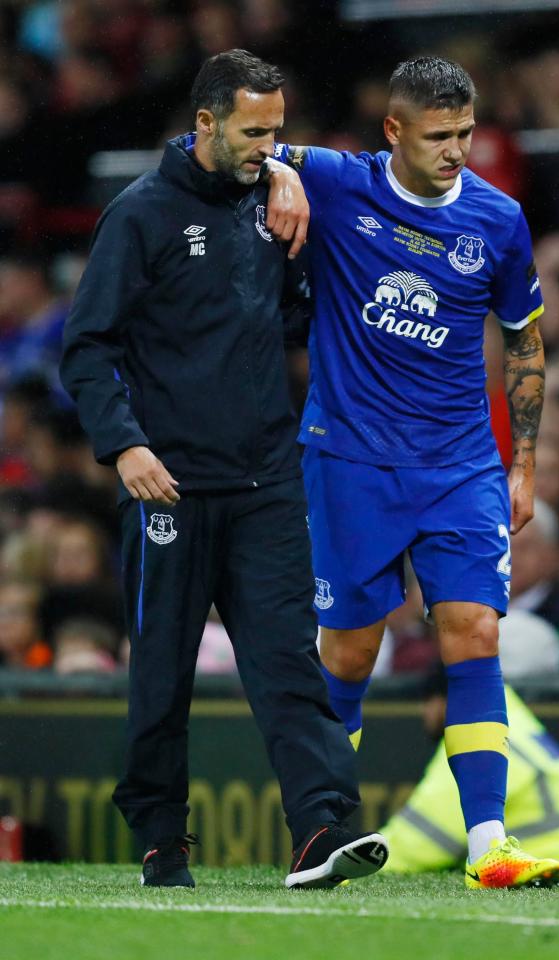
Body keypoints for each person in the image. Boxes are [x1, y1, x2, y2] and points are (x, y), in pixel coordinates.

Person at [60, 49, 388, 892]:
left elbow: (286, 316)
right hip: (168, 484)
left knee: (288, 662)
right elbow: (88, 347)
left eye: (278, 133)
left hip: (264, 480)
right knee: (162, 674)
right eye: (254, 132)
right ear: (204, 123)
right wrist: (125, 445)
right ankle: (161, 842)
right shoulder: (139, 215)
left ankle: (320, 828)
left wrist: (290, 186)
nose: (269, 147)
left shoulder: (271, 204)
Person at [275, 57, 559, 890]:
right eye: (439, 137)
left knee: (473, 631)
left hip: (462, 465)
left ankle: (489, 845)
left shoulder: (498, 219)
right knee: (353, 651)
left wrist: (525, 462)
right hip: (350, 459)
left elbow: (524, 339)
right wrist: (283, 180)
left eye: (466, 134)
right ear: (393, 130)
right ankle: (322, 830)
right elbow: (209, 144)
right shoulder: (333, 180)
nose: (457, 151)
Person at [381, 673, 559, 878]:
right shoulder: (510, 724)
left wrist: (368, 862)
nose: (425, 713)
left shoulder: (475, 739)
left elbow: (424, 838)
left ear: (444, 700)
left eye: (427, 702)